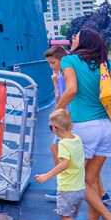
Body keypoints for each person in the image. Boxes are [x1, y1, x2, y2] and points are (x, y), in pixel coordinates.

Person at [58, 28, 111, 220]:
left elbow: (71, 89)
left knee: (80, 181)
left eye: (76, 36)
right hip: (108, 127)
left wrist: (58, 111)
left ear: (85, 42)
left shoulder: (69, 60)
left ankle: (109, 218)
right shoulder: (105, 64)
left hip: (84, 127)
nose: (72, 39)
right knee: (92, 182)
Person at [35, 108, 95, 220]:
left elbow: (65, 164)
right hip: (79, 188)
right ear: (72, 126)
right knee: (67, 216)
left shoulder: (63, 145)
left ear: (54, 129)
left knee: (65, 215)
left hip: (67, 188)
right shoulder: (76, 139)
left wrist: (46, 175)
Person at [43, 46, 69, 201]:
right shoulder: (69, 73)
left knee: (56, 149)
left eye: (53, 63)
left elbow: (59, 98)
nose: (52, 66)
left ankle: (62, 187)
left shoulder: (62, 76)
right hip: (70, 116)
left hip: (65, 118)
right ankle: (103, 193)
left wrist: (54, 81)